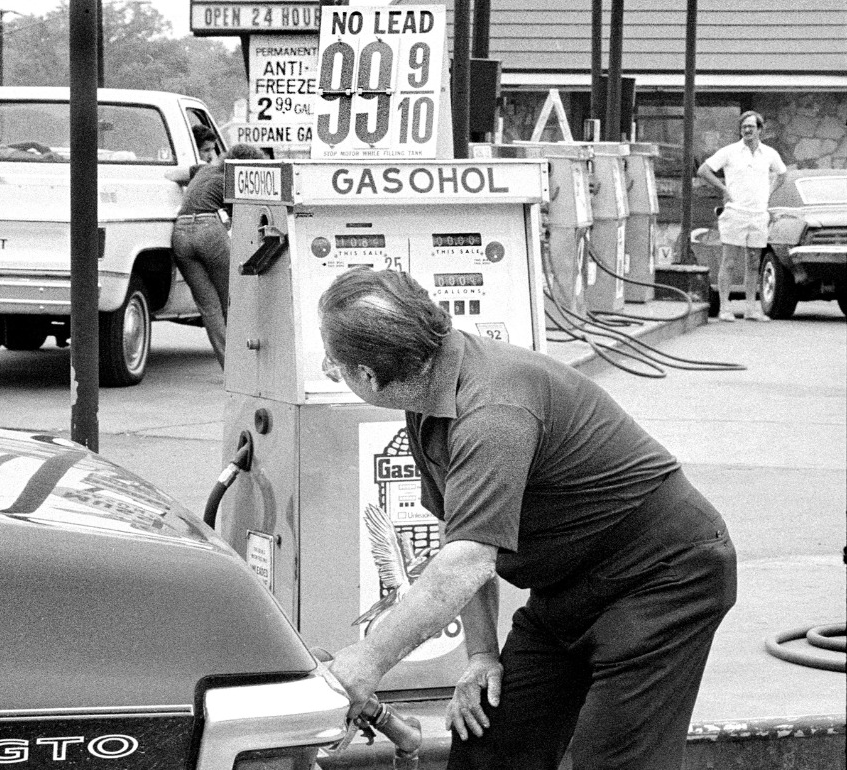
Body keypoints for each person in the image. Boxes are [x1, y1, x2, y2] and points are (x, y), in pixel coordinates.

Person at [318, 269, 737, 770]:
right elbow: (459, 539)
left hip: (663, 579)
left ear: (367, 376)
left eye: (334, 361)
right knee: (490, 746)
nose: (327, 367)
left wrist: (364, 664)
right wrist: (480, 655)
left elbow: (466, 564)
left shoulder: (493, 409)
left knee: (612, 761)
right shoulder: (430, 386)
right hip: (566, 589)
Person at [171, 143, 265, 369]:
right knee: (231, 300)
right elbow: (243, 220)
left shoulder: (202, 170)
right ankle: (243, 367)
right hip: (208, 230)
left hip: (180, 233)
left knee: (208, 307)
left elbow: (171, 174)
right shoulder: (234, 178)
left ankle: (228, 366)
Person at [697, 111, 786, 322]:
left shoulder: (769, 154)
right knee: (728, 261)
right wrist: (724, 190)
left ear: (760, 130)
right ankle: (725, 308)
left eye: (751, 127)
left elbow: (782, 174)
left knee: (754, 262)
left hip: (758, 215)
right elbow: (704, 170)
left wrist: (768, 194)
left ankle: (751, 309)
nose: (747, 130)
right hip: (735, 213)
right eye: (744, 127)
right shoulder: (730, 151)